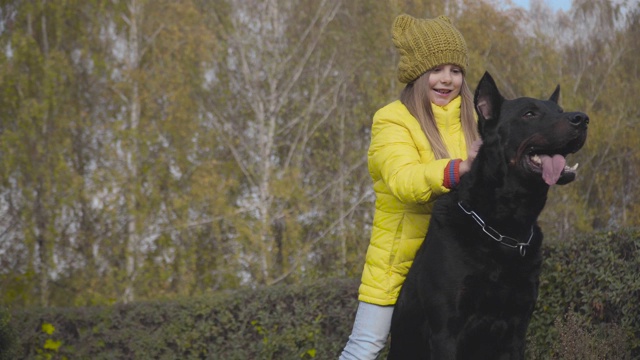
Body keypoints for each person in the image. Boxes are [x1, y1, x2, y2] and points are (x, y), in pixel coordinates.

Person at [339, 14, 481, 360]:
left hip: (457, 264)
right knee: (366, 346)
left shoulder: (475, 120)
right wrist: (460, 169)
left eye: (456, 70)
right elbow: (404, 181)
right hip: (398, 261)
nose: (447, 79)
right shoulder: (392, 119)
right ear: (417, 74)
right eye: (436, 69)